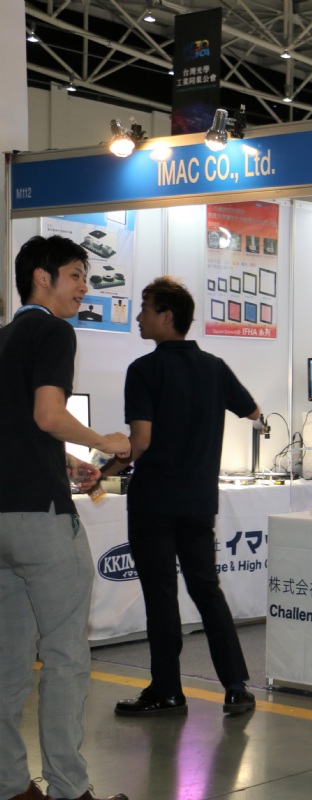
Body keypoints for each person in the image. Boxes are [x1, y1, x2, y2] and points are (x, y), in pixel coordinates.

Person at [0, 235, 131, 800]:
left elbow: (18, 428)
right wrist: (104, 442)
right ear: (41, 278)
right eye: (75, 275)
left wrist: (66, 459)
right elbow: (48, 414)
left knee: (7, 662)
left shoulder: (4, 339)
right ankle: (69, 790)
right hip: (43, 520)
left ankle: (9, 784)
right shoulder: (54, 331)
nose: (83, 287)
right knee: (65, 657)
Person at [105, 278, 263, 718]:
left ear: (166, 316)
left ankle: (168, 691)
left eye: (145, 309)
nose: (139, 317)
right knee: (207, 591)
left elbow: (140, 441)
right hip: (198, 502)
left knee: (161, 596)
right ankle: (236, 687)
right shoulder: (214, 367)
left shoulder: (144, 369)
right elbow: (252, 411)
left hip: (154, 502)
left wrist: (102, 472)